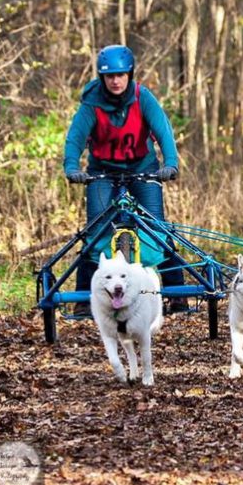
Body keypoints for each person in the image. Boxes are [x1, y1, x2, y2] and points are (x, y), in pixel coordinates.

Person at [64, 44, 186, 317]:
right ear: (101, 77)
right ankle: (84, 298)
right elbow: (75, 138)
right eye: (110, 76)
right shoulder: (91, 103)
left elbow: (163, 132)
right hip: (102, 172)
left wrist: (170, 164)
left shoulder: (143, 97)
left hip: (143, 169)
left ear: (130, 74)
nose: (116, 81)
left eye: (121, 75)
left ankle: (178, 294)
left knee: (156, 229)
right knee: (96, 232)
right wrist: (72, 167)